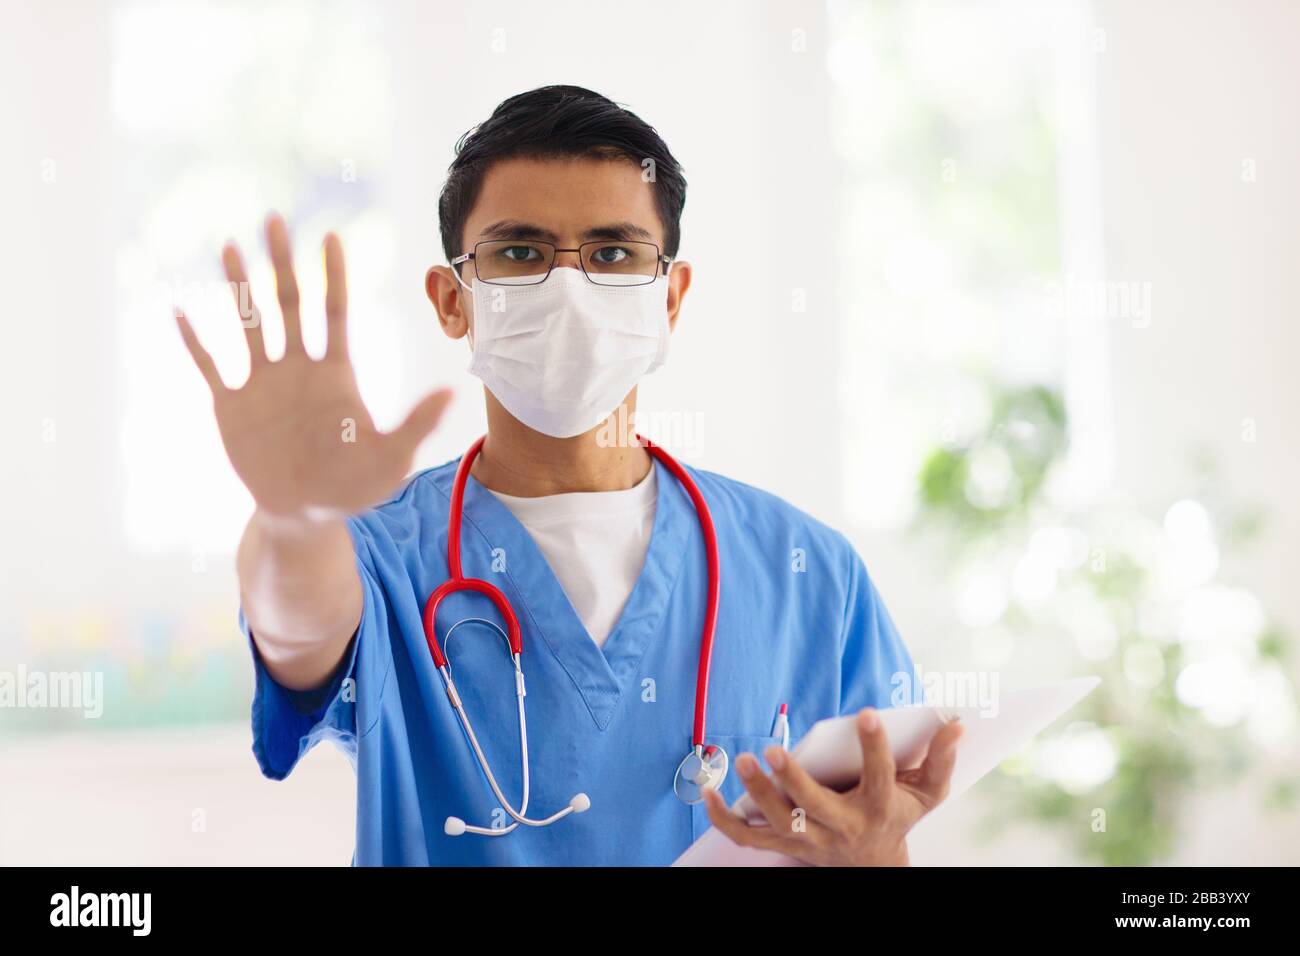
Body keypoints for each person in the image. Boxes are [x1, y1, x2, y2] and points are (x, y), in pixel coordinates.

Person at [176, 84, 962, 866]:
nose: (569, 287)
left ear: (671, 299)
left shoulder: (806, 571)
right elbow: (296, 628)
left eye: (613, 253)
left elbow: (873, 830)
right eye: (520, 252)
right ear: (453, 301)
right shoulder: (380, 558)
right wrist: (295, 518)